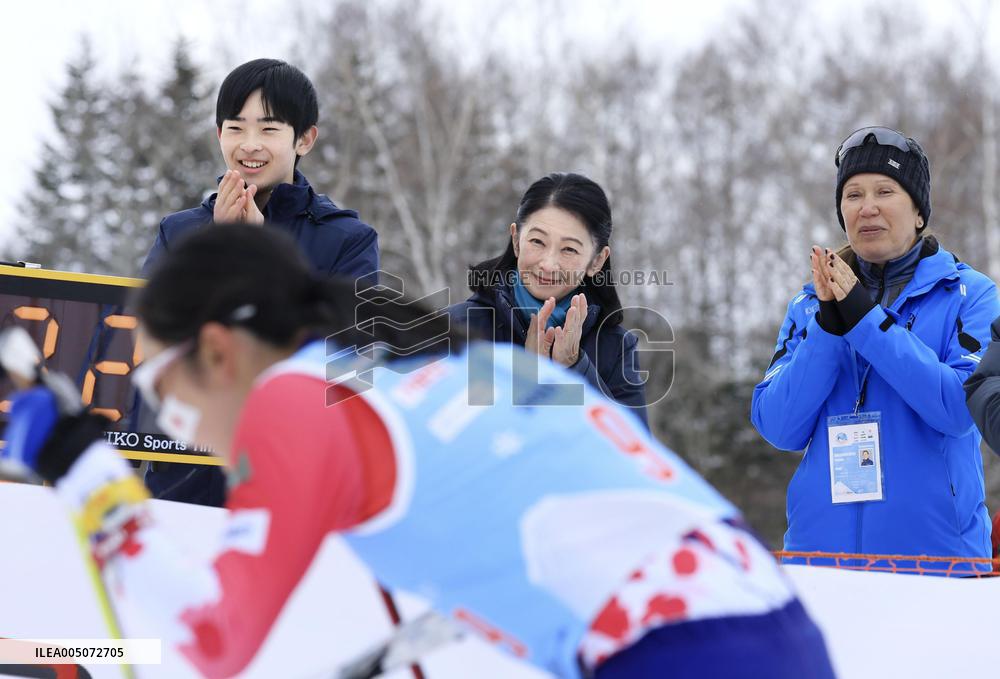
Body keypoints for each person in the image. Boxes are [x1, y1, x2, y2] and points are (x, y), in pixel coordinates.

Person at [2, 226, 834, 679]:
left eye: (159, 386)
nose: (172, 422)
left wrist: (80, 464)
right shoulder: (440, 364)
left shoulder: (293, 403)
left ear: (220, 350)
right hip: (777, 630)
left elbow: (217, 640)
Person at [751, 126, 998, 573]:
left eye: (885, 191)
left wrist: (866, 321)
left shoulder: (972, 295)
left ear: (919, 213)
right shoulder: (810, 303)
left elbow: (959, 411)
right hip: (821, 563)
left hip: (935, 565)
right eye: (852, 195)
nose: (867, 207)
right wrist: (829, 325)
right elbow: (779, 426)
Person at [141, 58, 379, 507]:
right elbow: (156, 347)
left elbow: (352, 369)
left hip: (289, 487)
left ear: (304, 138)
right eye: (236, 128)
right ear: (218, 134)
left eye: (269, 130)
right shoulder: (179, 232)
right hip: (181, 484)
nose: (250, 145)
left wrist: (259, 252)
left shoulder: (348, 240)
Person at [449, 172, 648, 427]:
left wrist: (573, 368)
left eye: (569, 249)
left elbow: (632, 457)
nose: (548, 264)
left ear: (597, 260)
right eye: (537, 241)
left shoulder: (616, 349)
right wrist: (528, 376)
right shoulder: (455, 328)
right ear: (516, 240)